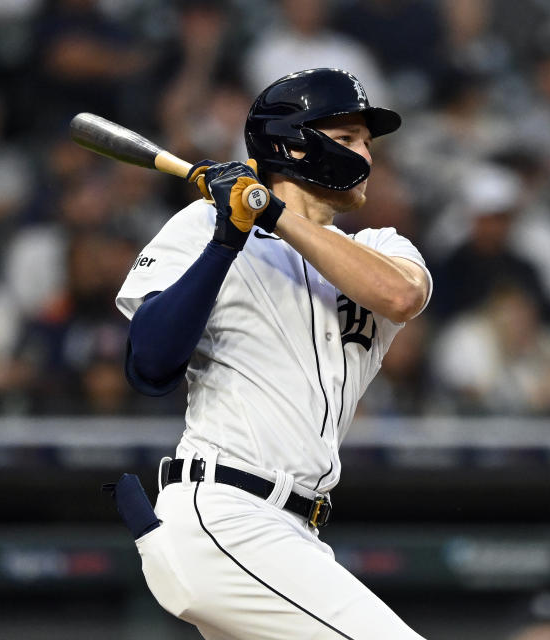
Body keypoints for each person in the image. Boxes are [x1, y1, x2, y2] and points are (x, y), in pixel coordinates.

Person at [111, 69, 430, 639]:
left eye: (367, 143)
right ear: (294, 143)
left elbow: (401, 295)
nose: (367, 156)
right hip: (226, 513)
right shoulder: (207, 222)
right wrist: (225, 242)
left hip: (295, 532)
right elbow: (150, 365)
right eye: (350, 138)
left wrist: (272, 214)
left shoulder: (380, 247)